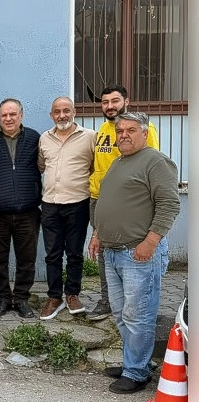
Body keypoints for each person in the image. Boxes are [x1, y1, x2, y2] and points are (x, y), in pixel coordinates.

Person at [90, 111, 179, 395]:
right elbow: (107, 202)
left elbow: (169, 204)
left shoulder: (156, 161)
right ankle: (136, 362)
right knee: (121, 313)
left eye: (130, 130)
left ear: (144, 133)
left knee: (138, 314)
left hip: (139, 253)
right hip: (112, 251)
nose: (124, 135)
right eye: (120, 131)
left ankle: (137, 373)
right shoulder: (118, 161)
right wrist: (97, 234)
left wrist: (151, 241)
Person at [87, 84, 160, 321]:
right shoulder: (103, 129)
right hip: (98, 199)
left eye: (115, 101)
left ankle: (135, 304)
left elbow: (149, 165)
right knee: (103, 253)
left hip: (126, 203)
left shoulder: (143, 129)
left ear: (126, 102)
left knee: (129, 254)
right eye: (105, 102)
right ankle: (108, 300)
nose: (110, 106)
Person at [37, 97, 95, 320]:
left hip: (78, 203)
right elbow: (42, 165)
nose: (62, 115)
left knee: (74, 253)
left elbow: (95, 167)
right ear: (51, 115)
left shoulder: (89, 137)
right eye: (57, 112)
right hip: (50, 204)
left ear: (74, 112)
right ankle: (54, 297)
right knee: (52, 254)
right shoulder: (44, 138)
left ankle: (72, 294)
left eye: (66, 111)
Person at [0, 99, 42, 319]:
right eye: (4, 115)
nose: (8, 118)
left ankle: (21, 299)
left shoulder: (35, 138)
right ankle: (3, 299)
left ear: (21, 115)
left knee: (26, 258)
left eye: (13, 114)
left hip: (28, 211)